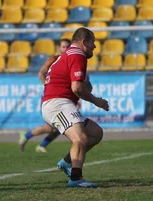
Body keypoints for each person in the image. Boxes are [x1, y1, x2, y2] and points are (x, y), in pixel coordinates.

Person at [41, 28, 109, 188]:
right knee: (80, 139)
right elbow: (77, 88)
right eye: (93, 42)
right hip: (57, 104)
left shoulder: (70, 55)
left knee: (95, 133)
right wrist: (96, 101)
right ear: (84, 42)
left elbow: (79, 84)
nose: (95, 47)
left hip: (62, 103)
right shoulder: (77, 55)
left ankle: (66, 163)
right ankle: (76, 178)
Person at [19, 39, 71, 153]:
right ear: (59, 48)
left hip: (63, 97)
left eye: (68, 47)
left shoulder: (70, 61)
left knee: (60, 127)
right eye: (63, 47)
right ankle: (27, 135)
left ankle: (41, 145)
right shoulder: (54, 59)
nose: (65, 49)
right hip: (51, 97)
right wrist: (48, 86)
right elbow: (41, 73)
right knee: (51, 127)